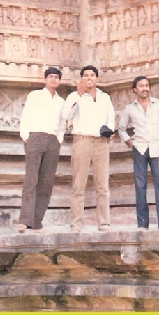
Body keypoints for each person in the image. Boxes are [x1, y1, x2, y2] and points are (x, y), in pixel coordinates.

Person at [118, 76, 159, 231]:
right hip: (139, 148)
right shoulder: (130, 108)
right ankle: (142, 224)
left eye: (146, 85)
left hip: (157, 148)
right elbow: (121, 128)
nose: (144, 88)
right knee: (140, 186)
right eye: (141, 86)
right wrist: (130, 142)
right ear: (135, 89)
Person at [62, 65, 116, 233]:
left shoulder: (104, 97)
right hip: (82, 140)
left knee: (103, 185)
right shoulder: (74, 96)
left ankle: (104, 223)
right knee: (79, 184)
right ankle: (76, 224)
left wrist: (110, 131)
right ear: (82, 78)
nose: (89, 78)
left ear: (97, 78)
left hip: (101, 142)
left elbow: (111, 117)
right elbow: (66, 116)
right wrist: (78, 94)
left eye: (92, 75)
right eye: (86, 75)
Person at [17, 67, 66, 233]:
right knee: (31, 180)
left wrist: (59, 139)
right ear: (45, 79)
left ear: (59, 81)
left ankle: (37, 221)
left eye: (57, 77)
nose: (54, 80)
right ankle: (25, 221)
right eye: (51, 77)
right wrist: (26, 136)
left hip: (52, 140)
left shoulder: (61, 102)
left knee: (46, 182)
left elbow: (62, 123)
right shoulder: (35, 95)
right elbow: (26, 115)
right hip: (35, 137)